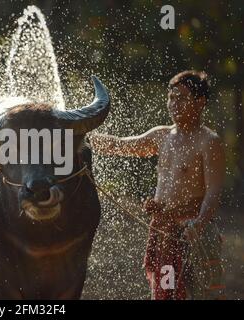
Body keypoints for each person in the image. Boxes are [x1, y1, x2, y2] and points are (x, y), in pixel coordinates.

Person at [90, 70, 226, 299]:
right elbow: (121, 145)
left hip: (194, 231)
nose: (174, 103)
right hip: (164, 232)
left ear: (200, 102)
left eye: (181, 97)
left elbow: (214, 191)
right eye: (171, 97)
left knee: (204, 294)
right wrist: (82, 137)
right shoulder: (162, 136)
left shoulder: (209, 141)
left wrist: (199, 224)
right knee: (166, 293)